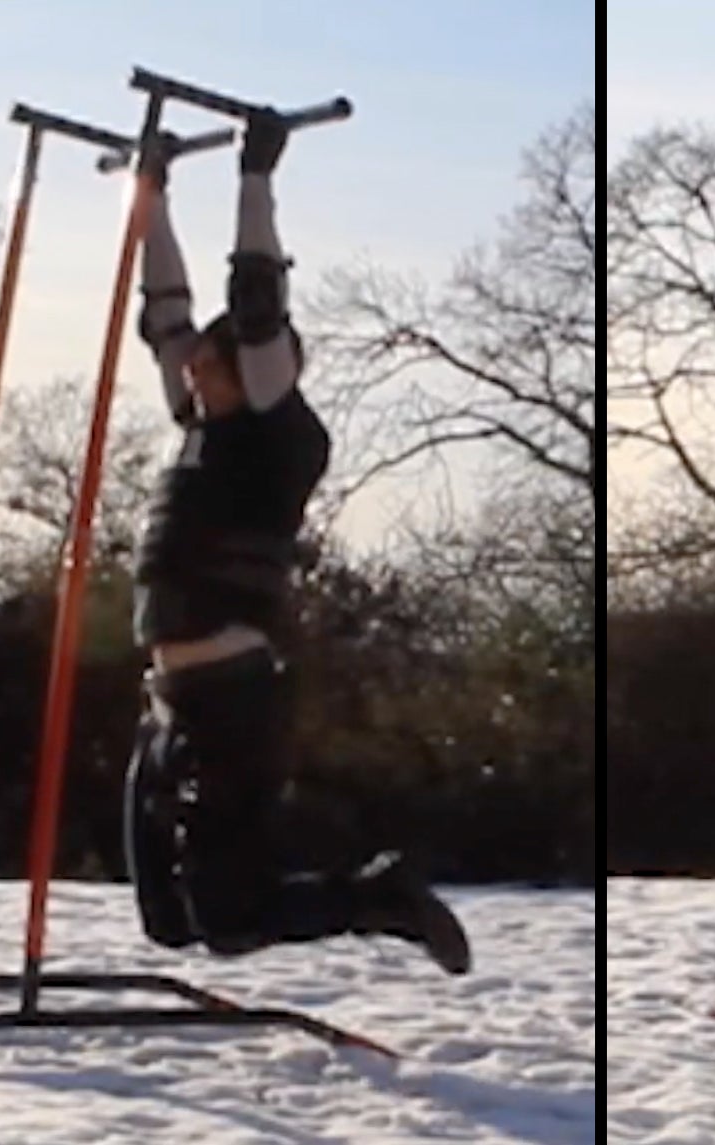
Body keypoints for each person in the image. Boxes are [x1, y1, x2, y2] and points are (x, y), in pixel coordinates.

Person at [121, 110, 471, 975]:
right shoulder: (196, 425)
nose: (192, 366)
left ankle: (376, 895)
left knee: (231, 919)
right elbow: (165, 315)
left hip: (237, 700)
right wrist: (151, 194)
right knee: (168, 919)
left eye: (213, 360)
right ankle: (355, 894)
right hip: (169, 697)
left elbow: (256, 307)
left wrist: (253, 179)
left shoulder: (277, 432)